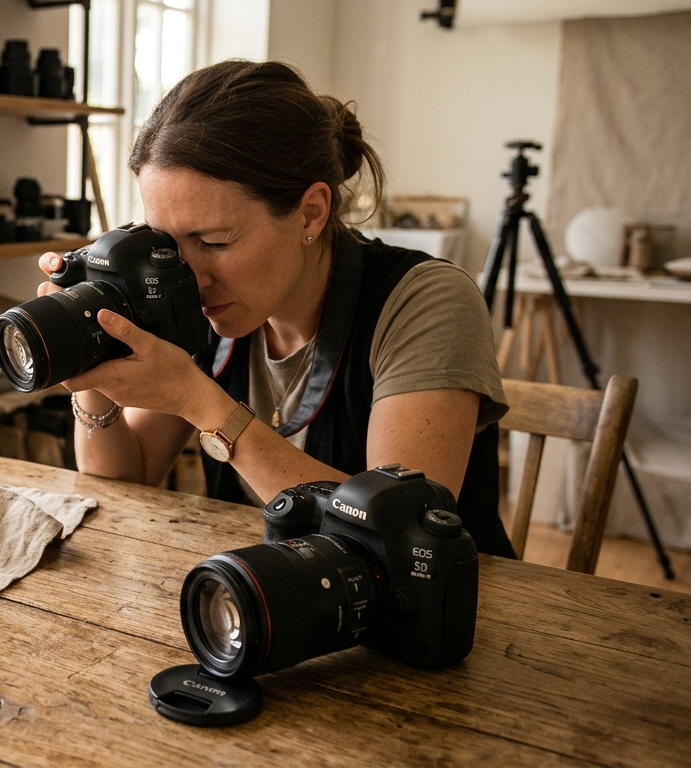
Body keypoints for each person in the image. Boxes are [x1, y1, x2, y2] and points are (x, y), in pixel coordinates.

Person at [40, 60, 516, 557]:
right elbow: (124, 478)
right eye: (169, 245)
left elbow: (399, 534)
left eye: (216, 241)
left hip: (449, 619)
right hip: (261, 598)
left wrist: (198, 400)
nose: (192, 275)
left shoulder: (426, 301)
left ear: (311, 211)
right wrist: (91, 354)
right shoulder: (189, 298)